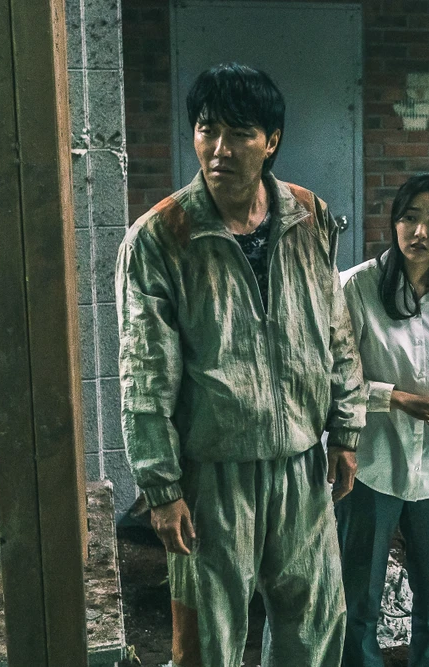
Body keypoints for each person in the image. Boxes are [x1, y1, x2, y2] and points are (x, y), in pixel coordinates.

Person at [115, 62, 365, 667]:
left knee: (313, 627)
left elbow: (335, 328)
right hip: (211, 475)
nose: (219, 148)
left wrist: (346, 429)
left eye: (240, 133)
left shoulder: (309, 216)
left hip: (301, 464)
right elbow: (143, 373)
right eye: (207, 129)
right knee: (207, 640)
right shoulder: (162, 236)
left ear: (271, 140)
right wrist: (161, 487)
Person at [336, 171, 429, 667]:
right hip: (371, 459)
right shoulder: (356, 286)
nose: (420, 232)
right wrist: (401, 400)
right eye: (410, 218)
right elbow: (334, 377)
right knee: (360, 593)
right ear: (394, 223)